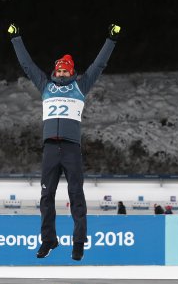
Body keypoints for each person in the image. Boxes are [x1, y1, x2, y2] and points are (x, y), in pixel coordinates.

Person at [8, 23, 120, 261]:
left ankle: (78, 242)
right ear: (54, 72)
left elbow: (98, 65)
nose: (60, 74)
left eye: (64, 71)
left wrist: (111, 40)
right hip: (50, 148)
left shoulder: (80, 87)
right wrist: (16, 38)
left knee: (76, 195)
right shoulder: (45, 86)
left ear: (71, 72)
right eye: (58, 71)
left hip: (71, 148)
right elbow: (27, 65)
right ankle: (48, 241)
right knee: (46, 197)